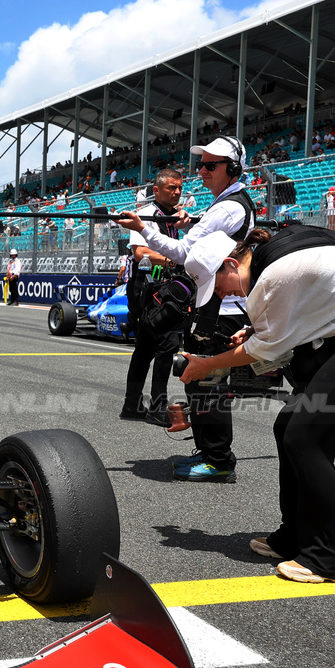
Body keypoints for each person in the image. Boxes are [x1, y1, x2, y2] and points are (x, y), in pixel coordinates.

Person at [177, 229, 335, 583]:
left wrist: (207, 364)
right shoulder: (274, 259)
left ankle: (331, 557)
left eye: (218, 285)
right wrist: (254, 335)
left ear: (231, 263)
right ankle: (295, 535)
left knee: (305, 438)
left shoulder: (270, 278)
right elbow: (295, 321)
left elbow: (266, 351)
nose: (223, 294)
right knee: (288, 426)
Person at [114, 136, 256, 482]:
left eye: (211, 165)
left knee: (207, 382)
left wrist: (142, 228)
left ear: (232, 168)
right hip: (215, 305)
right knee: (201, 379)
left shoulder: (228, 207)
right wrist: (193, 222)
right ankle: (211, 452)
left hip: (222, 309)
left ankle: (218, 460)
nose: (202, 171)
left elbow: (181, 254)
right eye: (201, 164)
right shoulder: (224, 204)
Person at [120, 169, 186, 424]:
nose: (177, 191)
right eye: (171, 187)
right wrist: (175, 261)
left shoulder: (180, 216)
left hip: (166, 285)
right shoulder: (145, 215)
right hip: (145, 287)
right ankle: (158, 407)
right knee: (167, 344)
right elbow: (140, 253)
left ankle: (132, 404)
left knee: (145, 348)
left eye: (179, 187)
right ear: (156, 190)